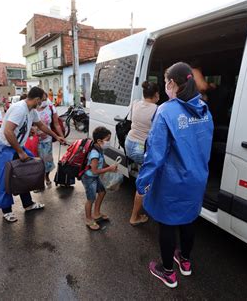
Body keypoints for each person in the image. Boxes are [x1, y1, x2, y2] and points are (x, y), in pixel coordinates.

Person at [136, 62, 213, 288]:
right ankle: (185, 262)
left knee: (168, 224)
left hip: (172, 180)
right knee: (189, 220)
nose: (165, 86)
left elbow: (155, 154)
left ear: (172, 83)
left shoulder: (166, 111)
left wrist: (142, 183)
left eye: (166, 81)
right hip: (197, 178)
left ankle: (168, 272)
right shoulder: (204, 109)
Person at [0, 87, 66, 223]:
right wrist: (20, 152)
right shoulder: (20, 109)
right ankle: (7, 212)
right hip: (5, 148)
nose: (42, 104)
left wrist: (57, 136)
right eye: (42, 101)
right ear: (36, 99)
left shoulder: (31, 110)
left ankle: (28, 204)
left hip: (18, 147)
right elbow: (8, 132)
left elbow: (41, 126)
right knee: (4, 180)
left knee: (24, 176)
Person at [125, 81, 160, 226]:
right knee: (144, 181)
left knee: (142, 173)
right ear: (156, 94)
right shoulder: (158, 110)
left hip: (129, 143)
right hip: (142, 147)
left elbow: (131, 120)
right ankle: (134, 217)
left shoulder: (135, 103)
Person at [81, 127, 118, 231]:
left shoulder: (99, 149)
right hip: (89, 178)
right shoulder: (95, 153)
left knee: (102, 192)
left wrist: (109, 167)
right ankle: (88, 219)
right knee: (90, 199)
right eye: (107, 140)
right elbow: (94, 171)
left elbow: (102, 164)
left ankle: (96, 214)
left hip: (94, 177)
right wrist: (109, 169)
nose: (108, 142)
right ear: (99, 141)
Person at [35, 95, 64, 187]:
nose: (43, 101)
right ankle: (38, 182)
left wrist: (61, 137)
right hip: (33, 140)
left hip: (47, 139)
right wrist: (35, 131)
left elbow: (56, 124)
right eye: (42, 99)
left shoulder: (51, 107)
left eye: (45, 99)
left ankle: (46, 177)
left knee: (47, 161)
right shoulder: (32, 108)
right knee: (36, 162)